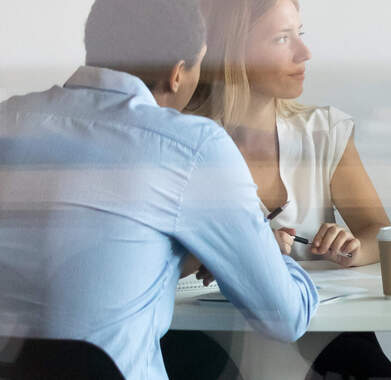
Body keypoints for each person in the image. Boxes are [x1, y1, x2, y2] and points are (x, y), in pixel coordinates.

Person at [0, 0, 318, 378]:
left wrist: (176, 259)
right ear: (177, 73)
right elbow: (285, 316)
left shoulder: (9, 118)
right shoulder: (191, 146)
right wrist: (267, 249)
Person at [181, 0, 391, 377]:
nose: (304, 52)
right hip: (212, 344)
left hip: (321, 337)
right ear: (232, 52)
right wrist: (223, 259)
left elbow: (381, 232)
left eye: (300, 34)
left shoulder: (324, 131)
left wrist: (350, 249)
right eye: (283, 39)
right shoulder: (174, 141)